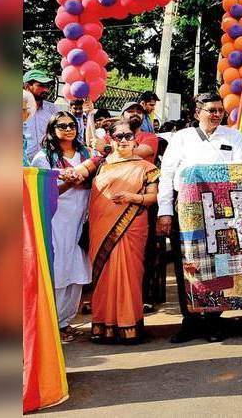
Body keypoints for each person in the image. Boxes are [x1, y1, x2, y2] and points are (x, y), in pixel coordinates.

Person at [157, 92, 242, 343]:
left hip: (222, 210)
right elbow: (166, 176)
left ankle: (213, 319)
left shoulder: (234, 136)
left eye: (220, 110)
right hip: (187, 211)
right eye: (211, 110)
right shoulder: (182, 138)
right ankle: (189, 320)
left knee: (219, 263)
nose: (217, 114)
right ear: (197, 112)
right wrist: (165, 212)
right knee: (186, 264)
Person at [86, 119, 159, 344]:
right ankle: (102, 327)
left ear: (135, 139)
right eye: (119, 137)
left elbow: (152, 197)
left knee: (129, 273)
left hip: (133, 225)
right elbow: (78, 174)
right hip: (101, 227)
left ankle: (129, 325)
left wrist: (132, 198)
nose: (125, 140)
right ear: (111, 139)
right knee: (104, 273)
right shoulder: (100, 164)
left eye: (129, 136)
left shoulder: (147, 167)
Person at [31, 112, 94, 343]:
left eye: (72, 125)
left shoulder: (85, 154)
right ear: (52, 129)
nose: (69, 129)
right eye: (62, 125)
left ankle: (65, 321)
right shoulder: (44, 158)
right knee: (58, 271)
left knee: (77, 272)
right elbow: (46, 193)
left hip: (81, 220)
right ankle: (52, 323)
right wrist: (71, 181)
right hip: (57, 221)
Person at [23, 69, 56, 161]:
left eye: (46, 86)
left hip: (47, 162)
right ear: (27, 86)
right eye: (41, 85)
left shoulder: (52, 109)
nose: (46, 89)